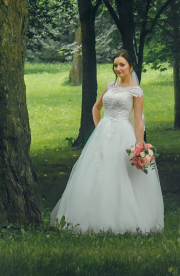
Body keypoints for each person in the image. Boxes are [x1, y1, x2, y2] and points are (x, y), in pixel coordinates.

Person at [50, 49, 164, 234]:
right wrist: (100, 127)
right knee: (96, 174)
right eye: (115, 65)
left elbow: (137, 121)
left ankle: (122, 220)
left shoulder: (136, 92)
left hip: (123, 134)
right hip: (103, 133)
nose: (118, 68)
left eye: (122, 65)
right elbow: (96, 108)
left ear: (130, 66)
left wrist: (140, 146)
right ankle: (91, 218)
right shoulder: (110, 87)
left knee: (119, 174)